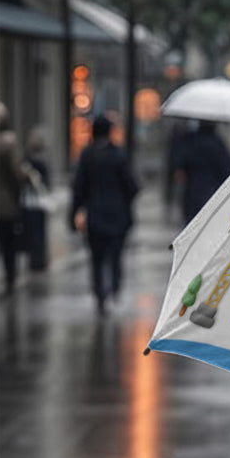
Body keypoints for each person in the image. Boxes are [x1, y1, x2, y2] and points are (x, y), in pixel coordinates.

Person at [71, 115, 138, 315]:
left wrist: (74, 212)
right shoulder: (119, 155)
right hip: (117, 215)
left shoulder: (87, 155)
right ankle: (115, 285)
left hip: (95, 215)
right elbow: (132, 186)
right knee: (115, 254)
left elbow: (79, 187)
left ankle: (100, 293)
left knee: (97, 257)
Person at [0, 102, 32, 291]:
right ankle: (10, 278)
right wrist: (28, 178)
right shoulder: (8, 141)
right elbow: (17, 171)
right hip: (5, 203)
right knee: (9, 243)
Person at [171, 120, 230, 224]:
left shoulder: (189, 140)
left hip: (191, 192)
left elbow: (179, 166)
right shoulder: (217, 143)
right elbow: (227, 169)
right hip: (212, 191)